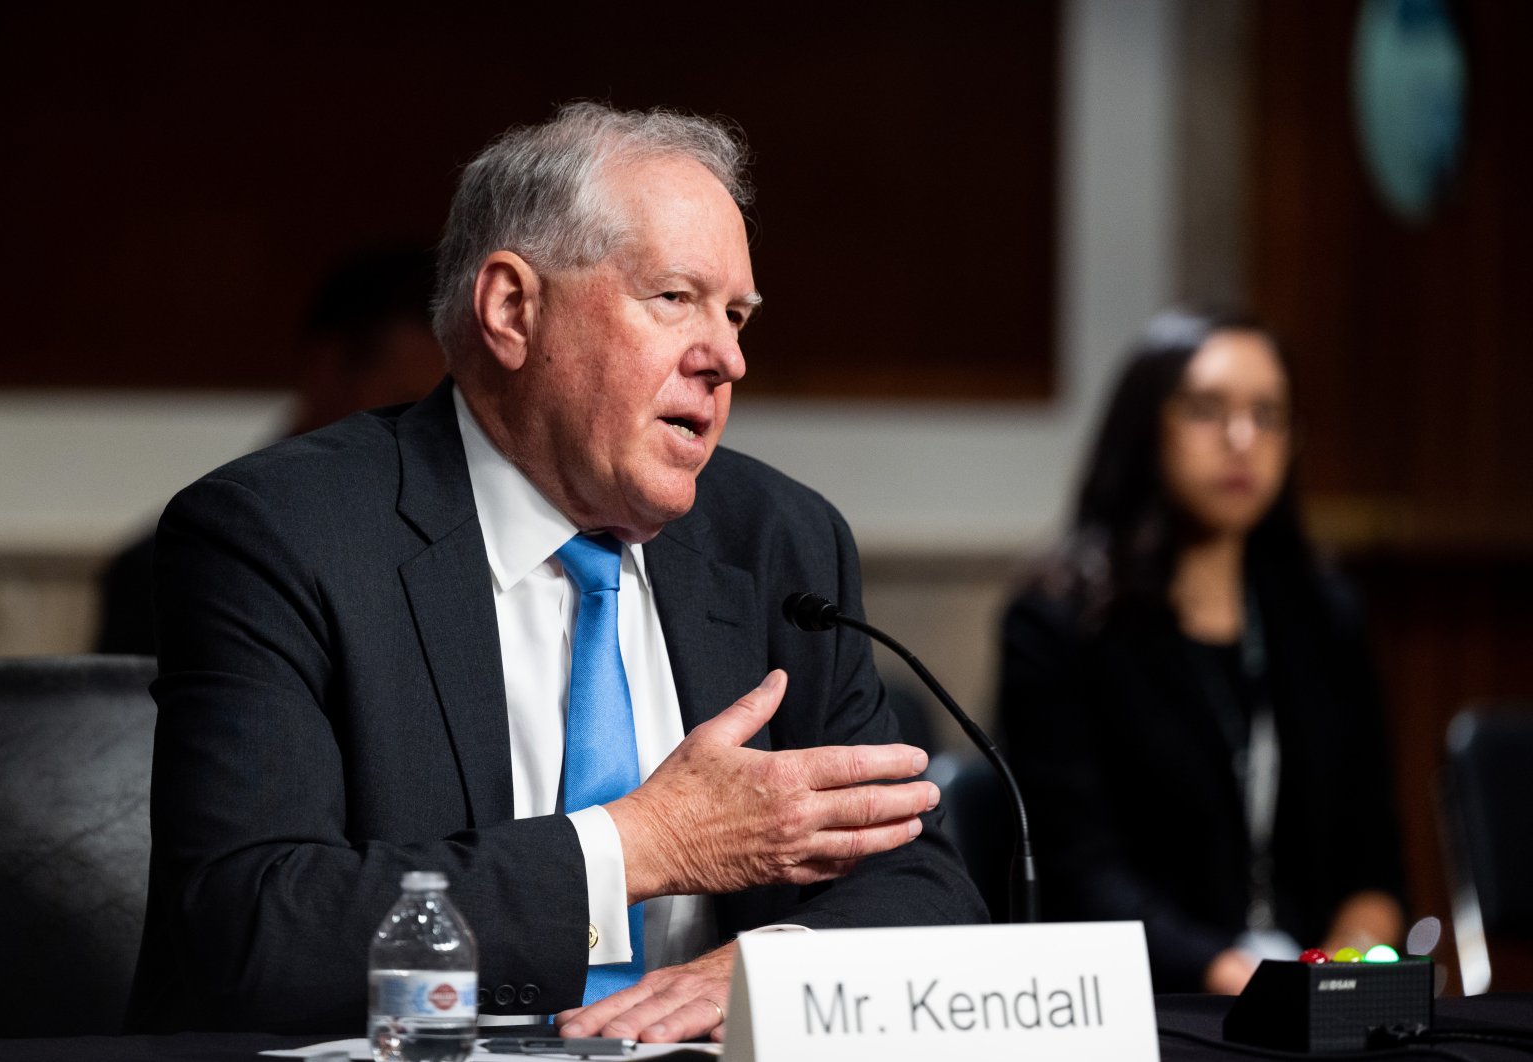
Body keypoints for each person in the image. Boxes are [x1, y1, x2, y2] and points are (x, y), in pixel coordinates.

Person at [130, 103, 985, 1039]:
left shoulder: (779, 540)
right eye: (675, 299)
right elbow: (250, 930)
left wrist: (774, 965)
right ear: (512, 310)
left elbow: (919, 876)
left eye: (737, 315)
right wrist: (639, 845)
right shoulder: (283, 534)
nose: (728, 358)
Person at [997, 307, 1406, 994]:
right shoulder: (1058, 624)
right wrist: (1242, 980)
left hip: (1313, 990)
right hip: (1153, 993)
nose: (1242, 438)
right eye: (1207, 409)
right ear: (1146, 425)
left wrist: (1343, 970)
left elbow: (1377, 864)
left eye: (1268, 414)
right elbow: (1080, 875)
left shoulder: (1324, 616)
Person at [95, 245, 443, 655]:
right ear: (327, 371)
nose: (430, 437)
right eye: (406, 406)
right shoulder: (169, 568)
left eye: (446, 415)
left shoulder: (464, 560)